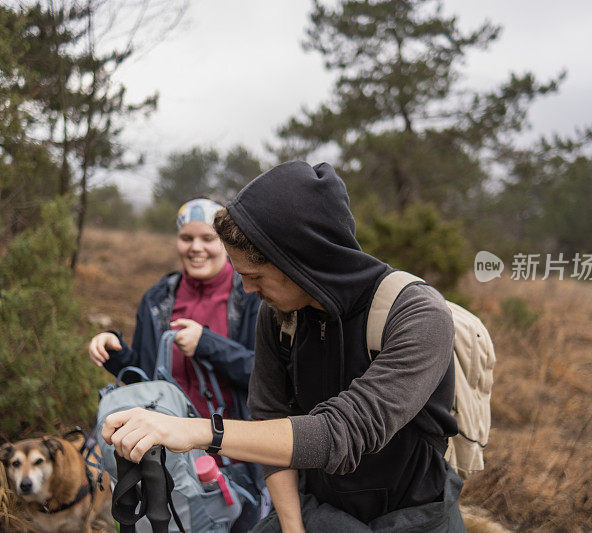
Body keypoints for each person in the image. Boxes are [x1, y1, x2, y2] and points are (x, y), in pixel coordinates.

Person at [102, 163, 466, 532]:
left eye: (255, 276)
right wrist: (293, 527)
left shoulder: (418, 314)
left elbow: (342, 433)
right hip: (316, 510)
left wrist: (197, 432)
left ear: (301, 262)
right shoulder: (278, 315)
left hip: (414, 516)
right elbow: (269, 414)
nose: (246, 289)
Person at [87, 198, 265, 530]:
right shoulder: (158, 298)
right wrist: (114, 353)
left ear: (225, 242)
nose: (196, 248)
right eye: (187, 238)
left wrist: (208, 344)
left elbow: (266, 376)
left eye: (208, 238)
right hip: (173, 461)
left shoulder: (251, 293)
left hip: (236, 457)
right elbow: (145, 375)